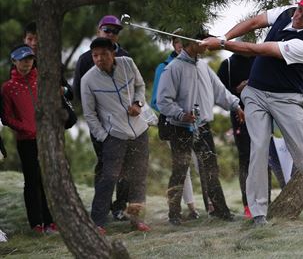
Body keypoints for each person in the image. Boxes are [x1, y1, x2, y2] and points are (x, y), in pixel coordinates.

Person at [201, 0, 303, 225]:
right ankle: (258, 212)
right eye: (299, 9)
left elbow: (258, 50)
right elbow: (255, 22)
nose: (298, 15)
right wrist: (223, 36)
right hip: (255, 94)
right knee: (258, 148)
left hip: (286, 100)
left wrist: (221, 44)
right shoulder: (287, 12)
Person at [157, 29, 244, 225]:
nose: (207, 44)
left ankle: (220, 211)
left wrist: (236, 105)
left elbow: (220, 91)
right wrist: (181, 114)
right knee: (180, 170)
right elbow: (163, 101)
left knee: (210, 169)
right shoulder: (173, 69)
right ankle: (174, 215)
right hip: (180, 128)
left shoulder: (203, 66)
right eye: (203, 41)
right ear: (191, 43)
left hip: (202, 127)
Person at [81, 37, 150, 234]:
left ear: (113, 53)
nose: (99, 59)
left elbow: (140, 85)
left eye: (103, 54)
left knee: (138, 177)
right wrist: (104, 136)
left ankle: (137, 220)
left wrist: (138, 104)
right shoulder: (88, 80)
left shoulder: (127, 64)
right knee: (108, 179)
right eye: (95, 55)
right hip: (114, 136)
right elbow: (89, 114)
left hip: (140, 131)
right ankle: (98, 223)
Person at [73, 15, 130, 221]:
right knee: (106, 165)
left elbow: (131, 89)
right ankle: (101, 209)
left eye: (115, 31)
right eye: (107, 30)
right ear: (99, 30)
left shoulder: (124, 57)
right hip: (99, 122)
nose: (111, 34)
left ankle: (120, 207)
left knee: (126, 165)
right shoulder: (86, 59)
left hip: (123, 121)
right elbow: (79, 93)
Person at [1, 45, 57, 234]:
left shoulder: (41, 81)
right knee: (32, 181)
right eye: (22, 60)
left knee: (48, 179)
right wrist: (28, 128)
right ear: (14, 62)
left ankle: (51, 221)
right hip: (26, 141)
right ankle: (37, 223)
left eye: (30, 60)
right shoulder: (8, 88)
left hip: (46, 139)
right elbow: (6, 117)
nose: (26, 64)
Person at [151, 33, 201, 220]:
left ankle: (204, 206)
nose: (181, 46)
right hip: (174, 124)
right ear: (173, 44)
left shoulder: (196, 65)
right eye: (178, 42)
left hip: (195, 123)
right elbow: (157, 101)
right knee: (181, 168)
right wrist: (179, 113)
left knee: (200, 164)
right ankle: (181, 210)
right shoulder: (165, 68)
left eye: (185, 42)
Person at [216, 53, 254, 218]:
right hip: (239, 118)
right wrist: (237, 90)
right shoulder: (228, 64)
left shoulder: (260, 58)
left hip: (261, 115)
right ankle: (248, 205)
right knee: (245, 159)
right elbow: (218, 93)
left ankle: (264, 201)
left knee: (263, 158)